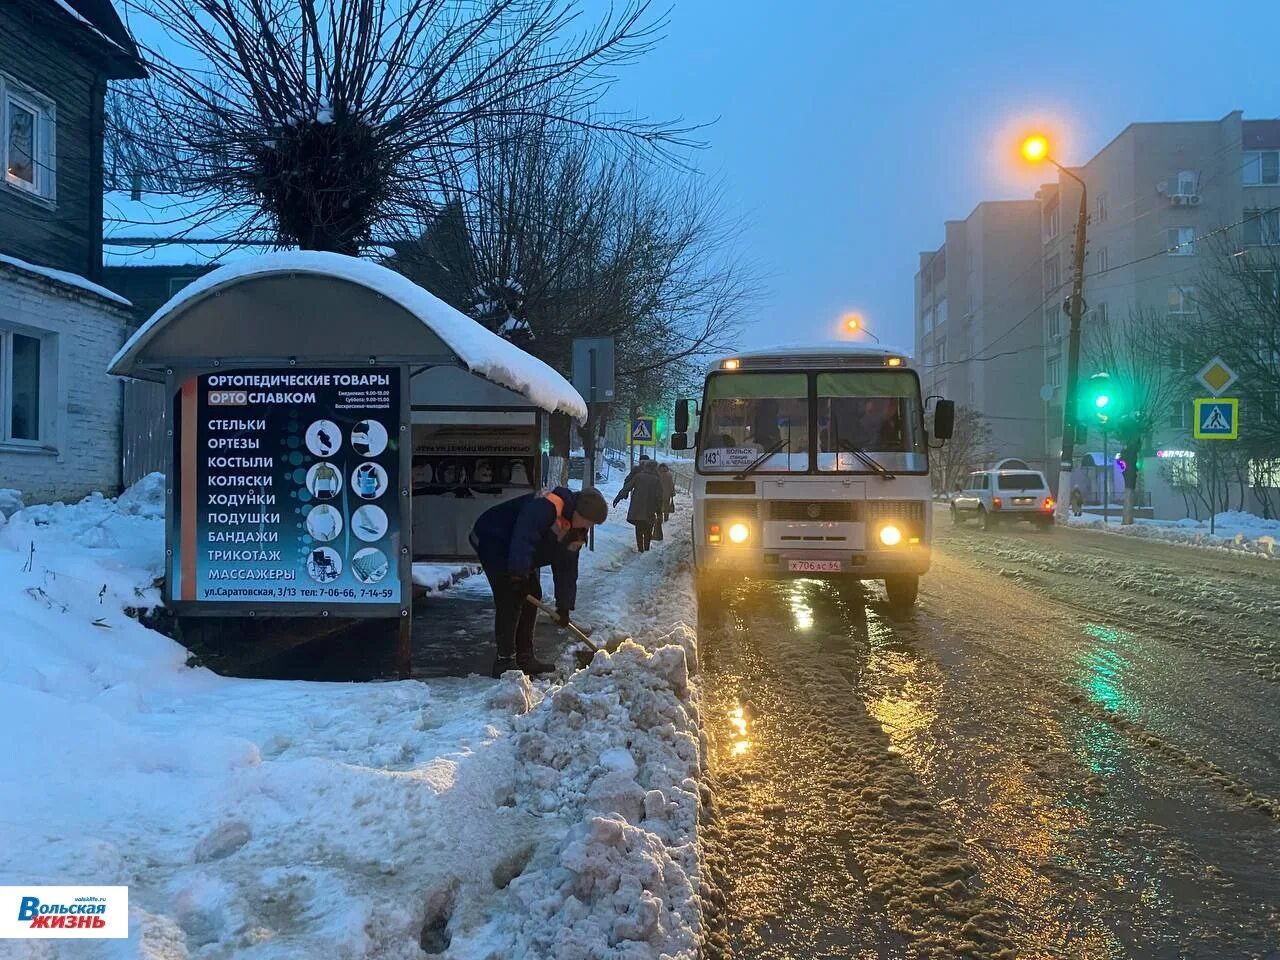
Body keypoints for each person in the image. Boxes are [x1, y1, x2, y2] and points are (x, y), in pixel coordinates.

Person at [471, 485, 609, 678]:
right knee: (510, 598)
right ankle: (504, 661)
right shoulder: (548, 506)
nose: (588, 526)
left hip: (516, 551)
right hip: (494, 540)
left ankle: (525, 657)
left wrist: (564, 606)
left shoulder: (576, 530)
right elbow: (524, 536)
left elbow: (567, 567)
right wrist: (518, 577)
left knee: (532, 595)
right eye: (587, 521)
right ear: (578, 511)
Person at [614, 456, 663, 552]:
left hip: (637, 508)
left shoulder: (638, 476)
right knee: (648, 529)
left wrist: (618, 498)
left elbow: (627, 487)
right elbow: (659, 497)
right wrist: (659, 511)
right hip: (650, 508)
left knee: (639, 528)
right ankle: (646, 548)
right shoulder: (656, 479)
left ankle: (640, 549)